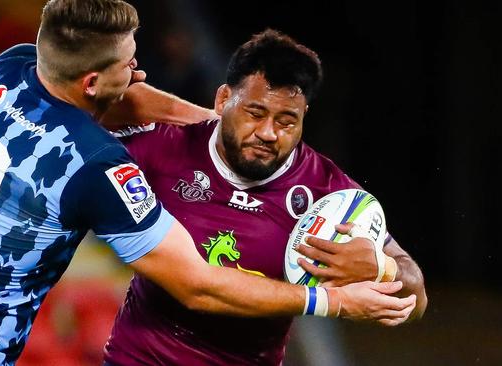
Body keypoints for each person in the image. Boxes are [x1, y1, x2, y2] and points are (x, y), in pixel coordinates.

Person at [0, 1, 416, 365]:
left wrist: (232, 127)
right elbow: (197, 284)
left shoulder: (9, 68)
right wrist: (334, 301)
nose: (140, 70)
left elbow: (118, 98)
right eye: (130, 62)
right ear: (94, 80)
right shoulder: (101, 165)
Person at [103, 29, 428, 365]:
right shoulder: (164, 147)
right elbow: (77, 104)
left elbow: (416, 299)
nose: (268, 133)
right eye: (255, 114)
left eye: (287, 121)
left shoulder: (329, 192)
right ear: (222, 99)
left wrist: (385, 268)